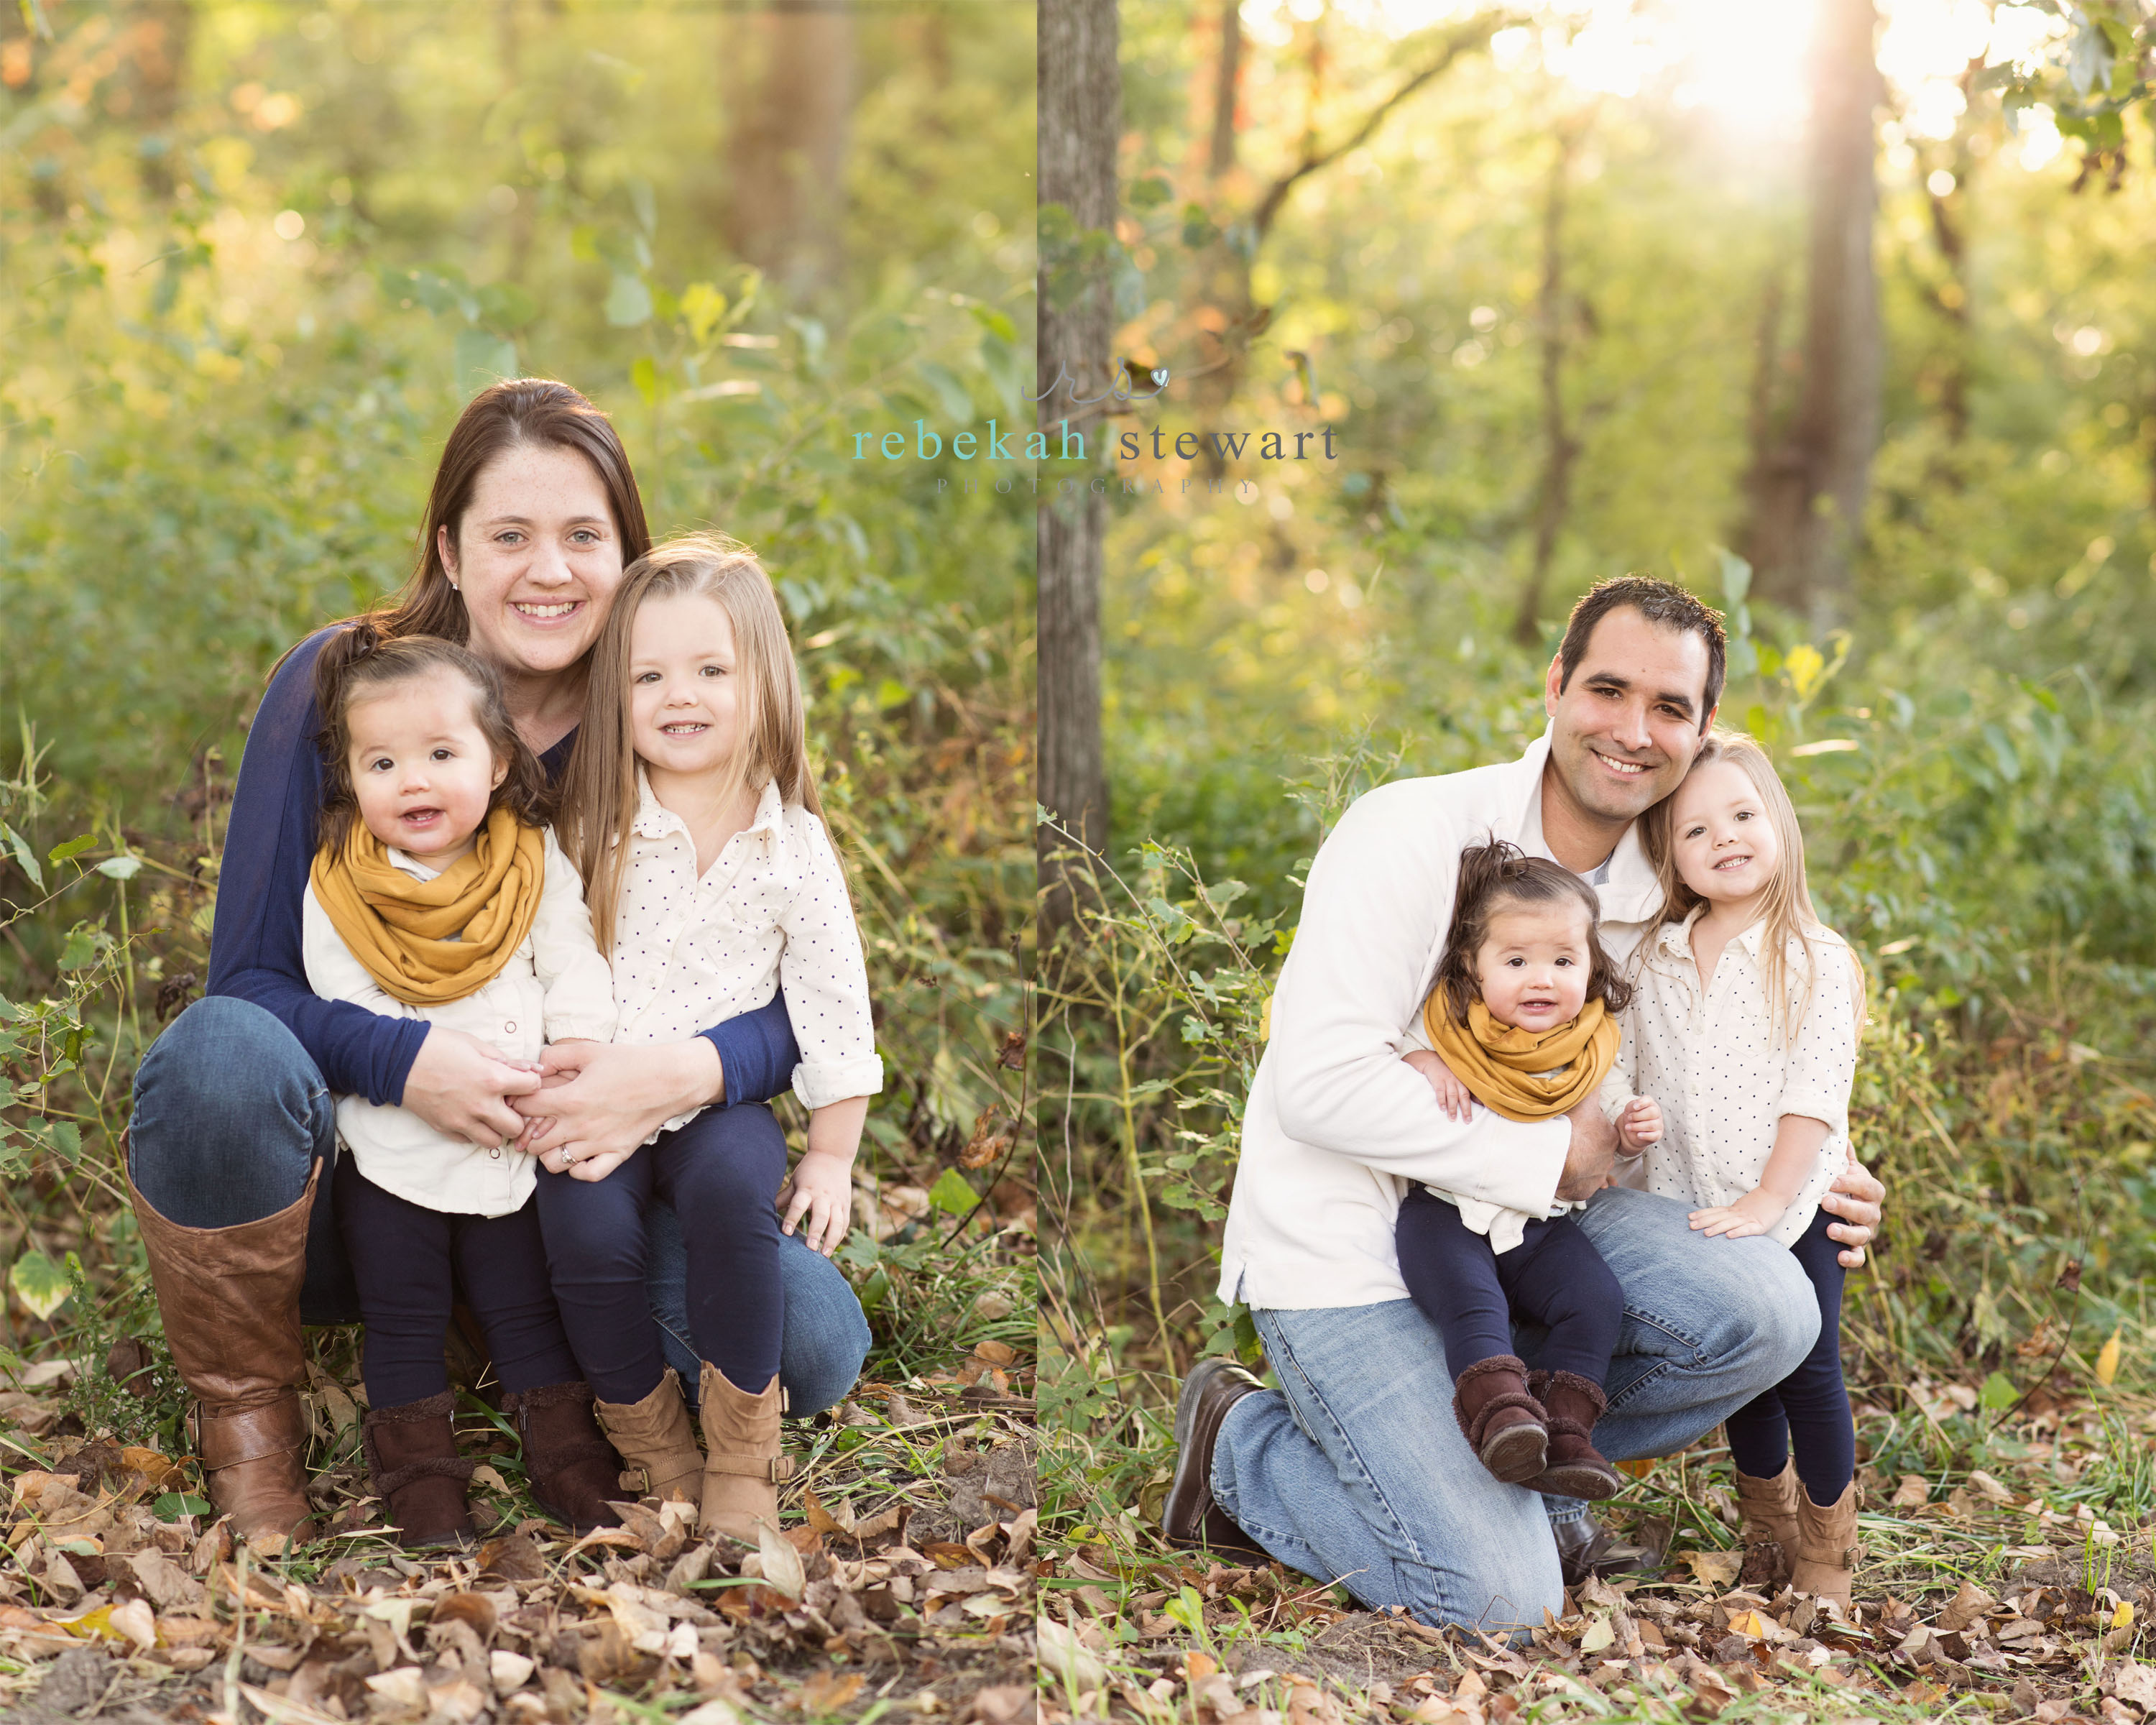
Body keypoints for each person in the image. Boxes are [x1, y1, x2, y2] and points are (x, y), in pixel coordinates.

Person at [126, 381, 870, 1552]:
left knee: (815, 1343)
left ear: (628, 554)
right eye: (510, 536)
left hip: (571, 1174)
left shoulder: (661, 721)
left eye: (584, 536)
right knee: (213, 1057)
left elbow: (793, 988)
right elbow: (253, 985)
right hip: (362, 1175)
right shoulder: (341, 686)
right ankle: (252, 1421)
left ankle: (494, 1314)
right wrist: (408, 1062)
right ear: (449, 550)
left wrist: (677, 1072)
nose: (550, 570)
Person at [1159, 575, 1885, 1635]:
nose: (1634, 731)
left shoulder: (1672, 879)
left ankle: (1509, 1475)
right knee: (1499, 1601)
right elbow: (1315, 1083)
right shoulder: (1409, 831)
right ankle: (1240, 1445)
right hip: (1354, 1258)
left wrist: (1829, 1168)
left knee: (1772, 1307)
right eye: (1608, 689)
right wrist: (1545, 1157)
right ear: (1554, 684)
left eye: (1670, 708)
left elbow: (1743, 1045)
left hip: (1549, 1242)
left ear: (1705, 728)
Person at [538, 535, 882, 1542]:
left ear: (763, 683)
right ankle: (653, 1447)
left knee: (737, 1196)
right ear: (617, 692)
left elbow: (833, 1004)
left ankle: (741, 1456)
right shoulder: (591, 820)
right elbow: (541, 953)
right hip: (597, 1099)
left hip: (717, 1108)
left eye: (709, 670)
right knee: (586, 1233)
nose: (677, 694)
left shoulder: (791, 845)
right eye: (649, 675)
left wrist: (833, 1152)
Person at [300, 627, 623, 1547]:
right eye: (383, 761)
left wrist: (581, 1046)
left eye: (442, 754)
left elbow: (573, 961)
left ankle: (567, 1455)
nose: (413, 780)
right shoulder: (343, 883)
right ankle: (420, 1478)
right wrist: (422, 1070)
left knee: (522, 1303)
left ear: (496, 765)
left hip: (515, 1133)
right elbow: (343, 998)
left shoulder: (529, 861)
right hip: (396, 1143)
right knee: (401, 1313)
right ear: (352, 780)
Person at [1607, 731, 1864, 1611]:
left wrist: (1769, 1198)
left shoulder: (1815, 956)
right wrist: (1630, 1123)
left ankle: (1829, 1542)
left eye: (1744, 815)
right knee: (1746, 1374)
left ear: (1780, 824)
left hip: (1797, 1204)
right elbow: (1635, 1073)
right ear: (1668, 856)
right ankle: (1768, 1525)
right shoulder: (1654, 957)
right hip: (1696, 1205)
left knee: (1810, 1365)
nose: (1725, 838)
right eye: (1695, 830)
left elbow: (1815, 1094)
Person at [1392, 842, 1660, 1500]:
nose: (1542, 979)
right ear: (1472, 966)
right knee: (1471, 1300)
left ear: (1591, 964)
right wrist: (1424, 1064)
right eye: (1516, 961)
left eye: (1564, 961)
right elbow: (1392, 1050)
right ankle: (1501, 1416)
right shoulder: (1449, 1027)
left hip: (1540, 1223)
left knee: (1595, 1299)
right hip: (1446, 1214)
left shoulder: (1592, 1046)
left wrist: (1627, 1133)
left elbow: (1609, 1122)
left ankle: (1569, 1431)